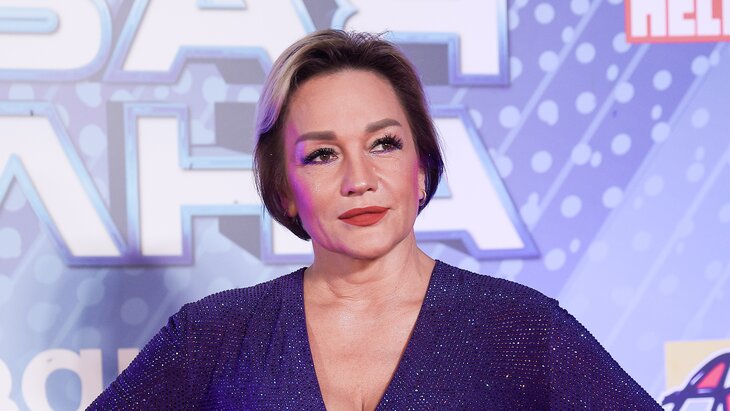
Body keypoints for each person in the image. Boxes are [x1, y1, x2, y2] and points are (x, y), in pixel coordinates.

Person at [89, 30, 661, 410]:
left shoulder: (522, 329)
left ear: (421, 168)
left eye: (384, 143)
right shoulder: (212, 337)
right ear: (284, 191)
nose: (358, 178)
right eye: (322, 154)